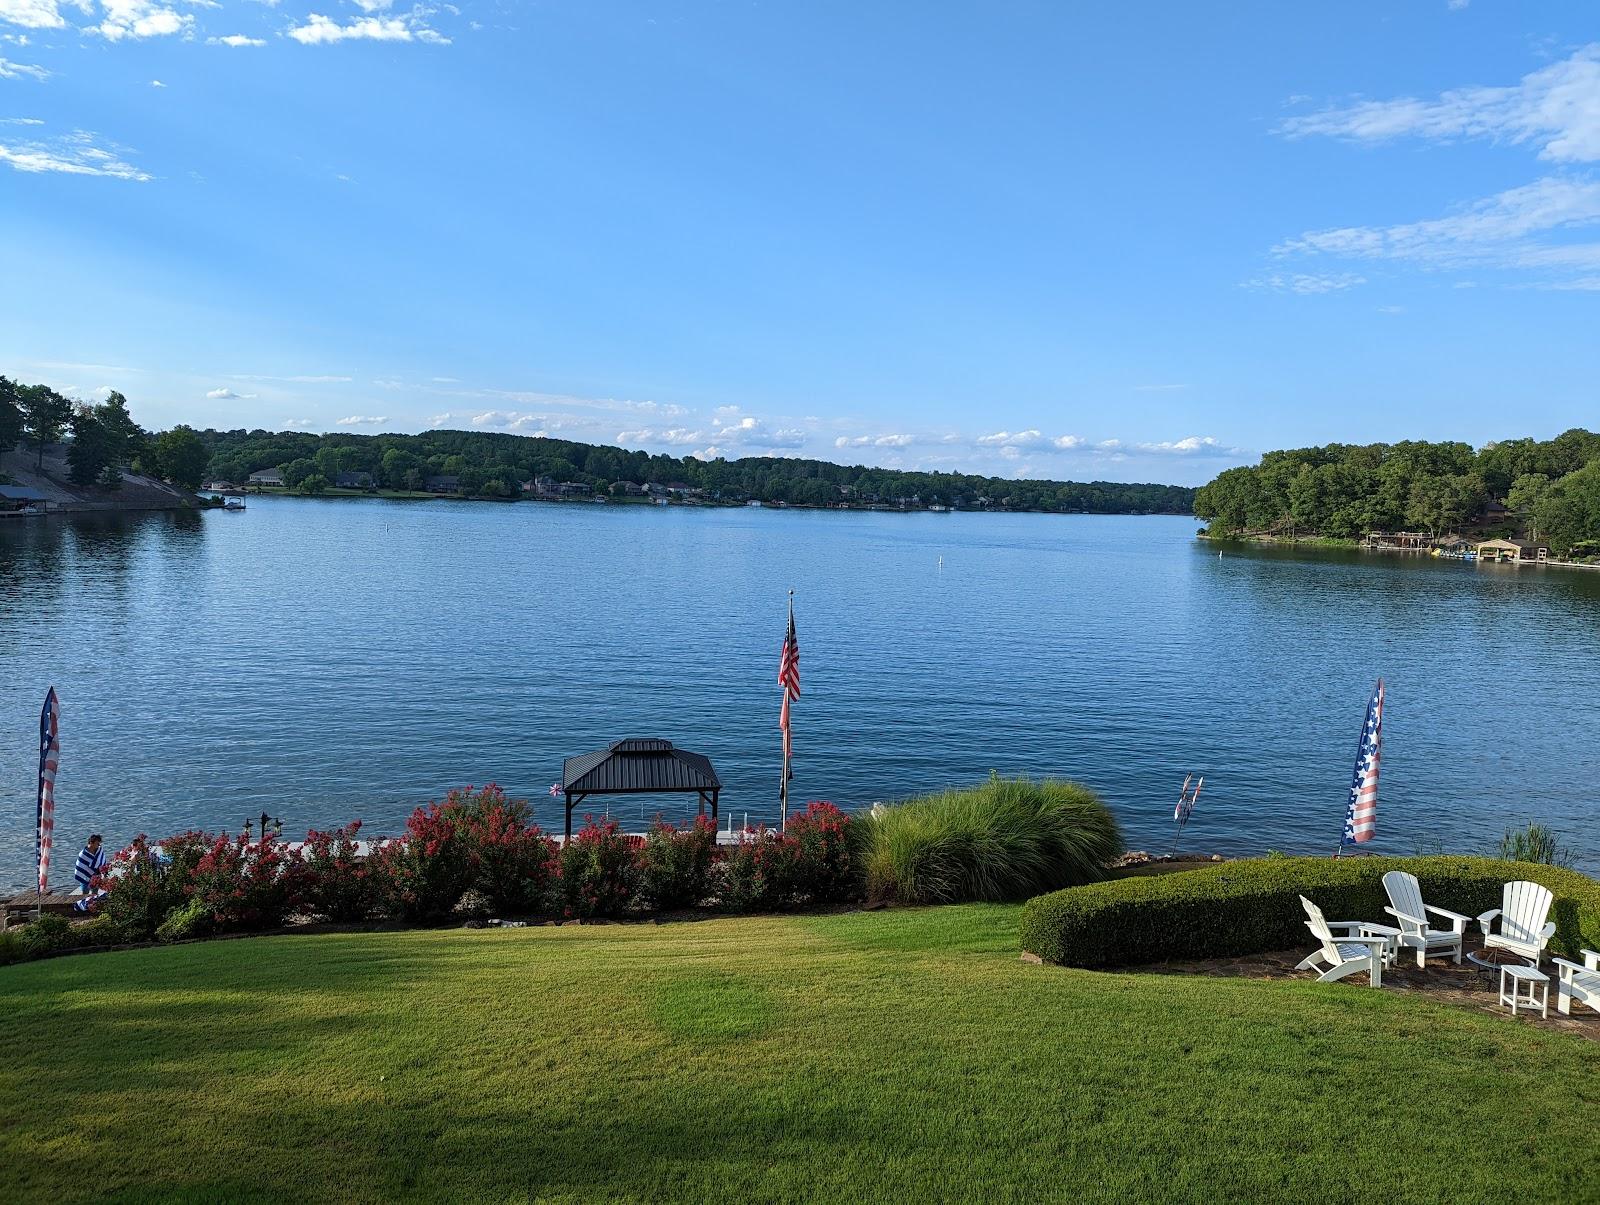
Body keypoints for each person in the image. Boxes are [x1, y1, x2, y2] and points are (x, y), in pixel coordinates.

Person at [72, 834, 108, 912]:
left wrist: (105, 874)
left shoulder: (99, 851)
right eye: (97, 843)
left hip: (96, 876)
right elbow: (80, 866)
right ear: (91, 843)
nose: (99, 845)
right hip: (85, 876)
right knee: (85, 893)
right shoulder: (83, 854)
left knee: (95, 893)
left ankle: (94, 908)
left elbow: (103, 863)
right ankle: (83, 908)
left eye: (99, 843)